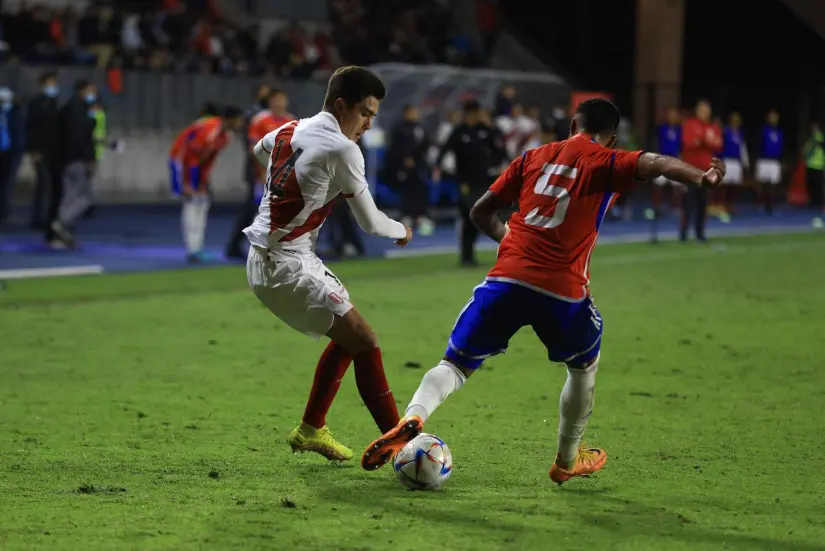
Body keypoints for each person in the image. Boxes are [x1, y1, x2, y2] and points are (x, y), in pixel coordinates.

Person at [360, 98, 725, 485]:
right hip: (562, 289)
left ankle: (413, 417)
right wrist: (700, 178)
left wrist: (509, 240)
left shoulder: (533, 156)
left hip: (507, 278)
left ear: (572, 123)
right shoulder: (606, 160)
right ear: (613, 138)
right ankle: (568, 459)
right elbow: (655, 162)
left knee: (455, 364)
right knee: (584, 366)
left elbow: (481, 212)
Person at [243, 66, 413, 462]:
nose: (369, 125)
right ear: (341, 105)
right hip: (287, 265)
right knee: (366, 340)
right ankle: (403, 446)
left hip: (270, 257)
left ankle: (310, 429)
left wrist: (283, 188)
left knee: (348, 336)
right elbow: (371, 223)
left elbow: (259, 150)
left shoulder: (288, 129)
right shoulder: (343, 148)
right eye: (365, 113)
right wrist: (401, 230)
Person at [433, 99, 506, 266]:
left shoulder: (485, 130)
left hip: (484, 181)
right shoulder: (459, 131)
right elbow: (444, 150)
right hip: (465, 182)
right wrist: (437, 168)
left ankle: (470, 255)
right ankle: (465, 255)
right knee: (469, 217)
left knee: (479, 217)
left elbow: (500, 150)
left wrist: (494, 163)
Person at [226, 89, 295, 258]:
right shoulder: (260, 120)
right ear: (270, 102)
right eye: (276, 100)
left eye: (282, 100)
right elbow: (254, 148)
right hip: (263, 173)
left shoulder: (291, 121)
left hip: (283, 174)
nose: (279, 103)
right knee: (258, 209)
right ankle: (251, 247)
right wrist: (264, 170)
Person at [178, 106, 244, 262]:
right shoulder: (209, 131)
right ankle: (192, 249)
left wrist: (203, 181)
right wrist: (187, 182)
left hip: (196, 167)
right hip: (180, 162)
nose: (241, 124)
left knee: (203, 203)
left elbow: (208, 160)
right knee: (192, 204)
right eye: (239, 120)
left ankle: (197, 248)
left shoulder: (226, 136)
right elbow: (189, 157)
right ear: (230, 119)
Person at [48, 80, 98, 249]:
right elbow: (81, 137)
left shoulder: (69, 108)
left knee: (69, 196)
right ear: (81, 90)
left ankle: (60, 236)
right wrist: (89, 158)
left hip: (65, 158)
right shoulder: (79, 111)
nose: (94, 94)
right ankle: (61, 222)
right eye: (91, 90)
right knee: (85, 196)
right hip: (76, 158)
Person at [384, 104, 433, 235]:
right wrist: (404, 159)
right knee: (406, 190)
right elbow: (394, 147)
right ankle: (406, 216)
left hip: (419, 165)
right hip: (402, 166)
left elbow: (426, 145)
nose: (417, 114)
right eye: (413, 112)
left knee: (420, 189)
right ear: (406, 113)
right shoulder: (398, 128)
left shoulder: (421, 127)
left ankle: (420, 216)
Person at [680, 100, 722, 242]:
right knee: (688, 203)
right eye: (701, 110)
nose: (704, 113)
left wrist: (703, 140)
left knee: (703, 203)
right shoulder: (691, 124)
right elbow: (689, 142)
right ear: (697, 111)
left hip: (707, 171)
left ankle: (700, 233)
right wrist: (706, 141)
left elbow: (718, 144)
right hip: (691, 170)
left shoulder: (713, 126)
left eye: (706, 110)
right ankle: (684, 233)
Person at [26, 71, 60, 229]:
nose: (53, 86)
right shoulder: (36, 103)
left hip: (53, 149)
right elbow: (31, 128)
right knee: (43, 184)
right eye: (51, 83)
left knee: (51, 185)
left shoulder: (53, 102)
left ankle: (49, 217)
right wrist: (33, 150)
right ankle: (37, 217)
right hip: (40, 150)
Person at [718, 112, 749, 219]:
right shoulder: (725, 131)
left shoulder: (740, 133)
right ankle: (722, 205)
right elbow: (720, 145)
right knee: (725, 185)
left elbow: (742, 148)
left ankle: (730, 205)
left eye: (738, 120)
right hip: (727, 160)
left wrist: (745, 162)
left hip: (736, 162)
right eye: (734, 119)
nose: (736, 122)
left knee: (734, 185)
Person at [755, 109, 783, 216]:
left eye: (775, 117)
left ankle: (770, 205)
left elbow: (781, 147)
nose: (774, 119)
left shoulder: (779, 132)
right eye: (772, 117)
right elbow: (758, 144)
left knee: (773, 184)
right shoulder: (763, 130)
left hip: (775, 161)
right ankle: (761, 203)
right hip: (763, 160)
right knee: (763, 183)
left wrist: (781, 160)